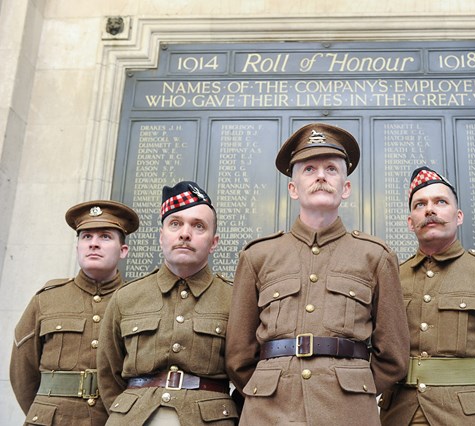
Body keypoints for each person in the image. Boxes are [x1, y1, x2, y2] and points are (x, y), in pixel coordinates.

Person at [225, 123, 409, 425]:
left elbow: (394, 356)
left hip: (348, 412)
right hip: (269, 411)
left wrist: (353, 389)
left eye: (331, 169)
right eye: (309, 169)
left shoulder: (375, 256)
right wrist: (270, 387)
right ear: (293, 188)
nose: (321, 176)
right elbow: (238, 355)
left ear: (346, 188)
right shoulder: (258, 256)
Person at [379, 166, 475, 426]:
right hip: (400, 417)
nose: (430, 210)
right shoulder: (393, 277)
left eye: (440, 202)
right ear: (410, 222)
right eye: (420, 204)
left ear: (459, 216)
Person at [97, 181, 238, 425]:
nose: (185, 233)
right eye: (175, 224)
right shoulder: (127, 297)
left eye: (198, 226)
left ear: (214, 243)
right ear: (161, 237)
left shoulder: (234, 299)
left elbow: (247, 369)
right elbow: (108, 373)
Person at [10, 200, 139, 426]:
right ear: (78, 246)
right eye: (86, 237)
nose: (93, 244)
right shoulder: (47, 299)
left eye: (105, 237)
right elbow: (23, 373)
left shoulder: (138, 301)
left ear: (123, 250)